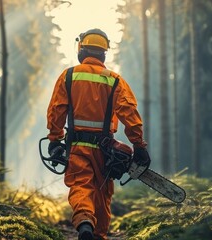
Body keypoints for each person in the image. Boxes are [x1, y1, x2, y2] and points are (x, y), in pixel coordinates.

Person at [46, 28, 151, 240]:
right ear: (104, 53)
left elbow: (57, 110)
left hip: (76, 148)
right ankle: (99, 234)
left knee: (81, 185)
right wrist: (138, 145)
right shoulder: (115, 81)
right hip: (105, 150)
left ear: (81, 50)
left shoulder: (68, 76)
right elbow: (129, 113)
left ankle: (85, 221)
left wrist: (55, 139)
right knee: (103, 194)